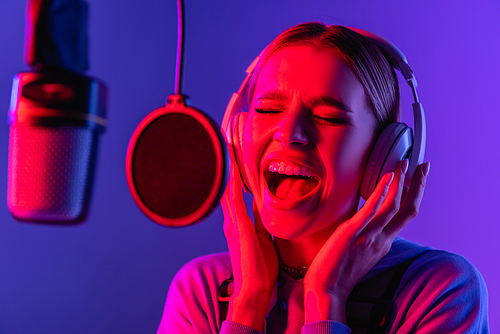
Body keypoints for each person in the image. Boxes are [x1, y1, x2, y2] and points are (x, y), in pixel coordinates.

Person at [157, 22, 489, 334]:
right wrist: (248, 303)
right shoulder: (201, 290)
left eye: (327, 116)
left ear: (384, 155)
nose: (289, 134)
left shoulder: (440, 291)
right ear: (238, 135)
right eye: (268, 110)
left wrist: (326, 299)